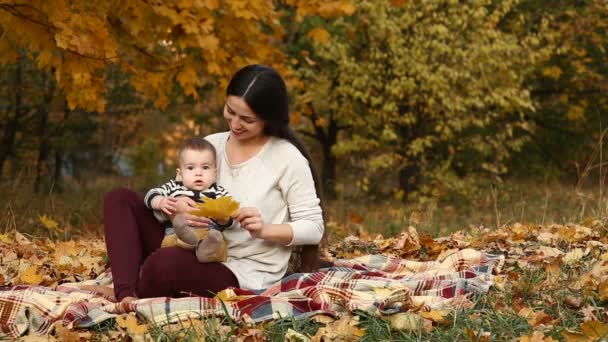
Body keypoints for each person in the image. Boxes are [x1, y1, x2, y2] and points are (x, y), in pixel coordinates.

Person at [95, 64, 324, 303]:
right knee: (119, 198)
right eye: (230, 111)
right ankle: (126, 295)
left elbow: (314, 228)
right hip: (187, 242)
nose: (235, 124)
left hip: (239, 271)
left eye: (247, 119)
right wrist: (175, 207)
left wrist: (264, 229)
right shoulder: (211, 145)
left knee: (163, 264)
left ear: (268, 119)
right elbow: (176, 192)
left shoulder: (287, 158)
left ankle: (140, 283)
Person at [144, 137, 233, 263]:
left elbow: (230, 216)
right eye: (191, 168)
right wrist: (160, 201)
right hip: (177, 233)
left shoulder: (218, 192)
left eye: (205, 167)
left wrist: (223, 218)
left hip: (208, 233)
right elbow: (150, 195)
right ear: (180, 174)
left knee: (217, 242)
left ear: (214, 173)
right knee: (173, 239)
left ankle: (205, 252)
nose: (198, 173)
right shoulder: (174, 186)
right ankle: (188, 240)